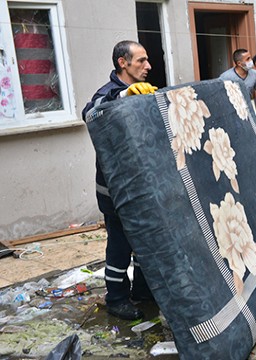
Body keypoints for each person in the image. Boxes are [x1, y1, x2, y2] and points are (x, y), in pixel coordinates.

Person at [82, 40, 158, 320]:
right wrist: (123, 96)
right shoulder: (109, 93)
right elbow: (90, 112)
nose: (148, 66)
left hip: (139, 185)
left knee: (143, 241)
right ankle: (116, 299)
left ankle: (141, 291)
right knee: (119, 246)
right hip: (115, 191)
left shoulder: (143, 92)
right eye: (141, 61)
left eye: (147, 60)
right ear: (122, 63)